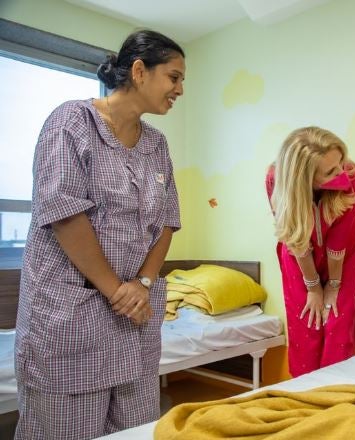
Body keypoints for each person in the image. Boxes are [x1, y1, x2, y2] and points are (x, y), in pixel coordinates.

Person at [14, 30, 185, 439]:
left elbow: (167, 221)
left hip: (133, 318)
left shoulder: (157, 145)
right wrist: (117, 291)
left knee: (136, 429)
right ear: (140, 71)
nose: (180, 89)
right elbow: (65, 214)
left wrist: (142, 284)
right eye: (174, 77)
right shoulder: (72, 122)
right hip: (71, 315)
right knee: (64, 430)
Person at [266, 127, 355, 377]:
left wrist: (333, 286)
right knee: (306, 324)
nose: (342, 173)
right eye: (330, 172)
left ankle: (338, 394)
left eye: (340, 162)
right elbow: (295, 234)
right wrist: (313, 287)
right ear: (304, 179)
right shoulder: (276, 180)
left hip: (346, 252)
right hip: (298, 254)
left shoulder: (352, 176)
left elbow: (339, 241)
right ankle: (305, 397)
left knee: (337, 322)